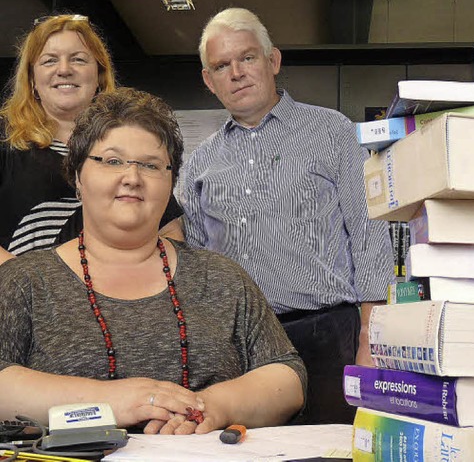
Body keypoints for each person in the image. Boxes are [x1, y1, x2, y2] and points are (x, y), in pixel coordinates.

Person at [0, 87, 306, 434]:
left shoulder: (222, 278)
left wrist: (212, 407)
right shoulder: (23, 281)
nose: (132, 177)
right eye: (112, 160)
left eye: (151, 165)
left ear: (171, 182)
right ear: (78, 178)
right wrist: (112, 400)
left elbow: (287, 375)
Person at [181, 7, 394, 424]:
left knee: (331, 450)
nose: (236, 73)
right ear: (209, 80)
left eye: (247, 58)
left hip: (330, 337)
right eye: (221, 66)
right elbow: (196, 268)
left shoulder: (331, 131)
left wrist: (372, 339)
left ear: (272, 61)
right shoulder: (198, 165)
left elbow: (369, 236)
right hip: (241, 347)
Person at [0, 14, 183, 265]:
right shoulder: (5, 138)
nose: (64, 70)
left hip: (115, 298)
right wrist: (25, 282)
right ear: (31, 79)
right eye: (49, 61)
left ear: (99, 75)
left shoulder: (132, 142)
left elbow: (170, 231)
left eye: (78, 59)